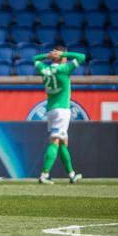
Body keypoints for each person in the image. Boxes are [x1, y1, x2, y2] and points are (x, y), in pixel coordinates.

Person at [33, 47, 86, 184]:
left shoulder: (45, 69)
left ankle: (71, 174)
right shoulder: (64, 69)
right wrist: (63, 54)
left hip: (51, 109)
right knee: (55, 140)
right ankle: (44, 175)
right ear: (62, 58)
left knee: (63, 141)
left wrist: (48, 56)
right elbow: (81, 56)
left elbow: (34, 59)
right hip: (62, 110)